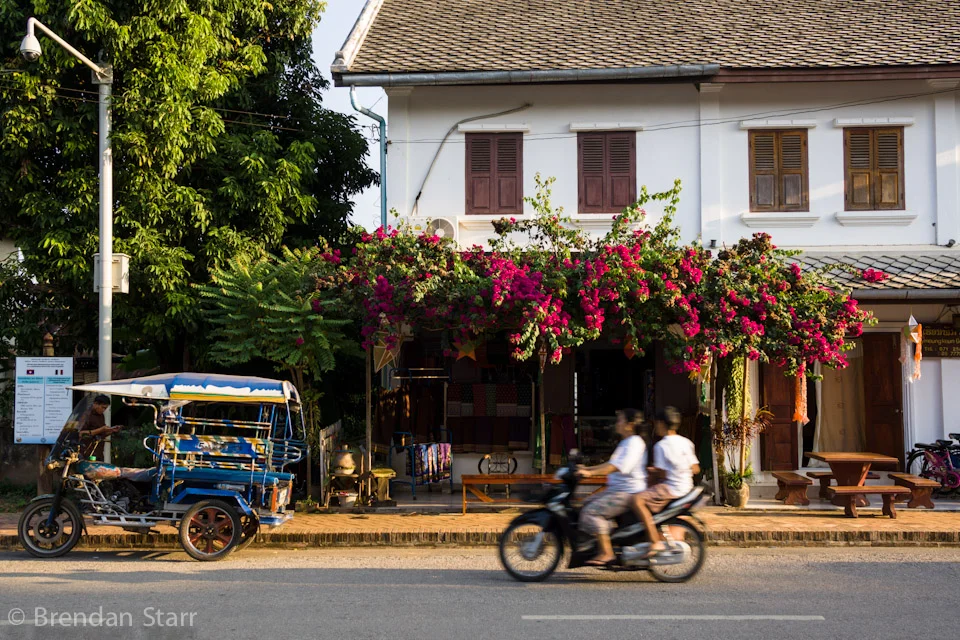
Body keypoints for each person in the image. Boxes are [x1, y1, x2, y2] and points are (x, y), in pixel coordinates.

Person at [576, 408, 647, 566]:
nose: (617, 423)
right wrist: (587, 470)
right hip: (616, 490)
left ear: (630, 424)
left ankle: (607, 552)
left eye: (620, 420)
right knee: (585, 504)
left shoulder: (635, 442)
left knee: (590, 512)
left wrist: (590, 473)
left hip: (626, 492)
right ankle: (606, 541)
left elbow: (618, 467)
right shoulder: (625, 442)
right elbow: (610, 464)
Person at [631, 406, 700, 558]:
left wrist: (651, 471)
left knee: (636, 500)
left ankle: (654, 541)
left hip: (671, 488)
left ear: (661, 424)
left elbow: (661, 473)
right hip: (687, 487)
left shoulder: (661, 445)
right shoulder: (686, 442)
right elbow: (695, 469)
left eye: (657, 424)